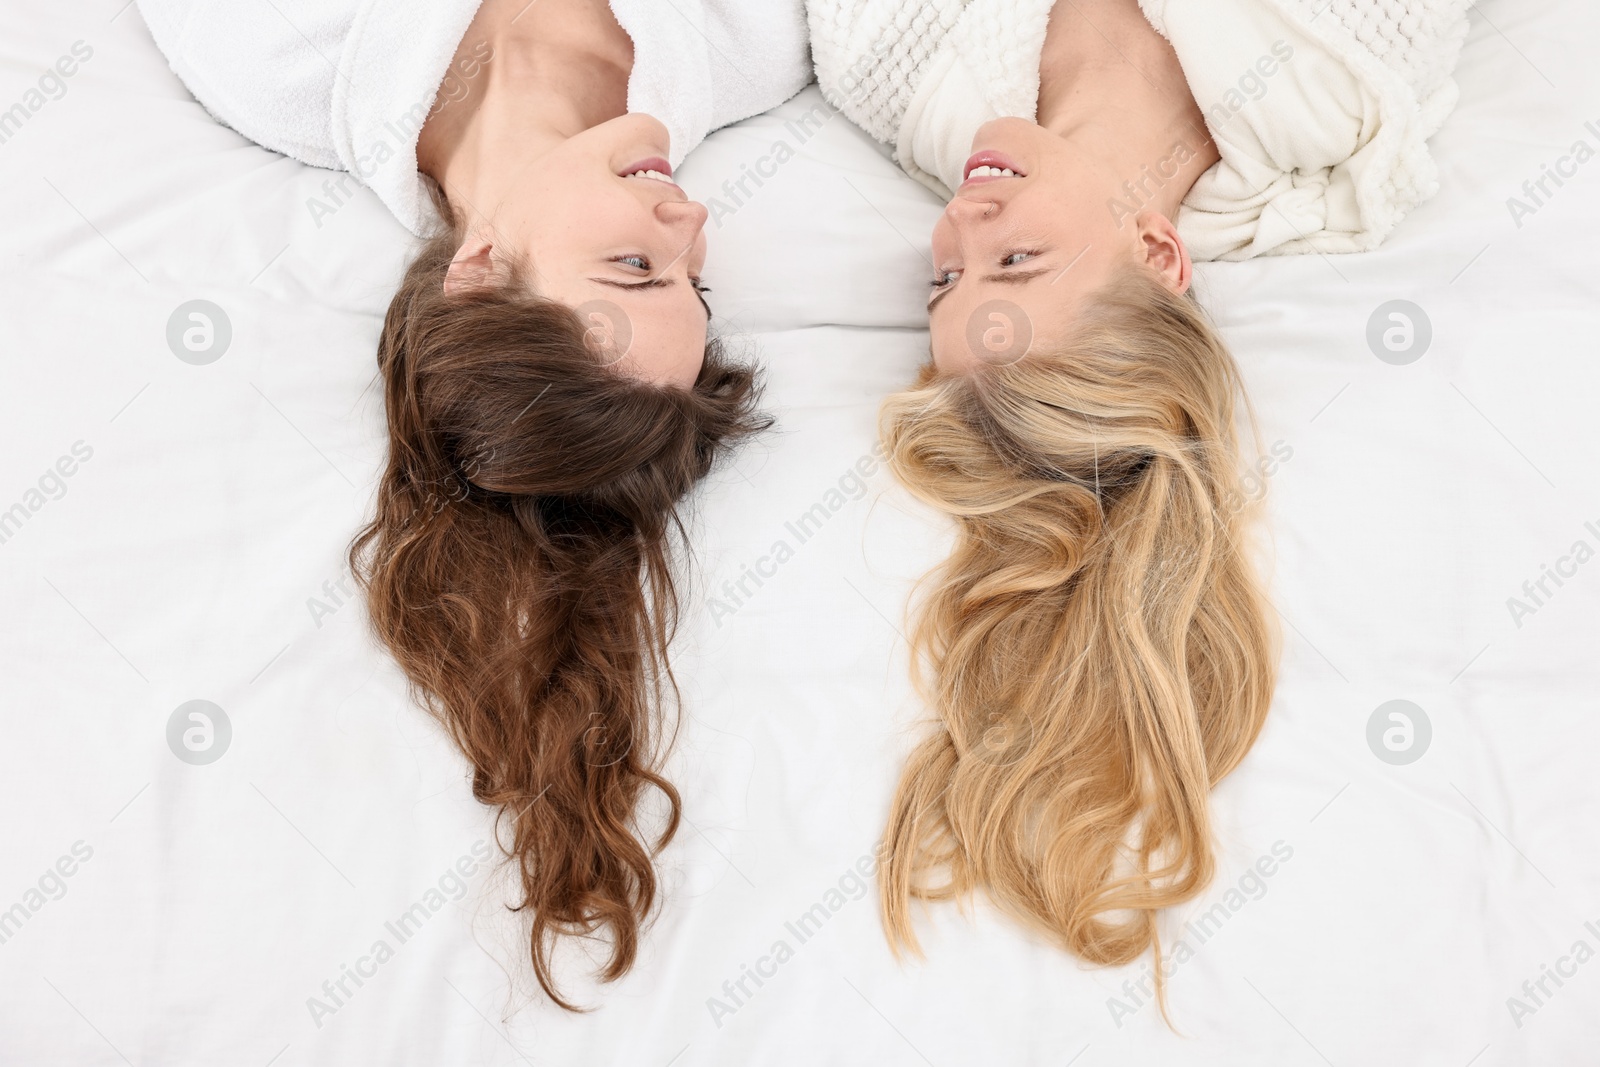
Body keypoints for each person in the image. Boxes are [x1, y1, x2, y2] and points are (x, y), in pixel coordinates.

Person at [137, 0, 809, 1007]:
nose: (693, 221)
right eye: (688, 285)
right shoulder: (752, 42)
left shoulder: (272, 50)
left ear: (481, 272)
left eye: (637, 268)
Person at [809, 0, 1470, 1015]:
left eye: (947, 277)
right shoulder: (1347, 74)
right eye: (1014, 261)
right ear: (1159, 256)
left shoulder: (895, 66)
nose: (960, 224)